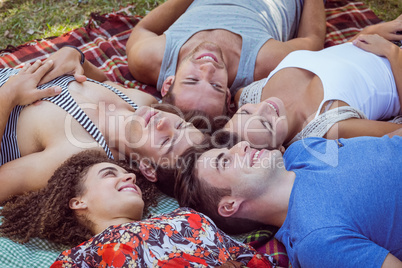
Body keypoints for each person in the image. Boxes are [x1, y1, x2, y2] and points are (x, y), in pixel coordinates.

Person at [0, 46, 206, 203]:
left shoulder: (77, 151)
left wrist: (8, 95)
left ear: (148, 169)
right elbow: (102, 82)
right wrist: (75, 56)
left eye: (166, 141)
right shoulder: (141, 102)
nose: (163, 123)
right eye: (180, 125)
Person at [0, 150, 275, 267]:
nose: (130, 177)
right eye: (109, 174)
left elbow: (252, 260)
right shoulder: (78, 259)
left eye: (128, 174)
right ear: (78, 202)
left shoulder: (188, 217)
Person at [174, 133, 402, 268]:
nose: (241, 146)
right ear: (229, 205)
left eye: (228, 148)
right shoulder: (316, 240)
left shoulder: (301, 150)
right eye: (225, 162)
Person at [124, 0, 326, 117]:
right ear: (228, 96)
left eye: (192, 80)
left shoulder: (150, 58)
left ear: (168, 84)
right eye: (216, 86)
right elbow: (312, 39)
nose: (208, 69)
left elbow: (143, 28)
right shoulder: (263, 62)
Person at [223, 33, 402, 150]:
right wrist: (392, 52)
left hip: (376, 38)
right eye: (266, 124)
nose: (263, 108)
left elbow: (333, 60)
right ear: (279, 150)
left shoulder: (249, 95)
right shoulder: (330, 129)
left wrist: (371, 32)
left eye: (246, 112)